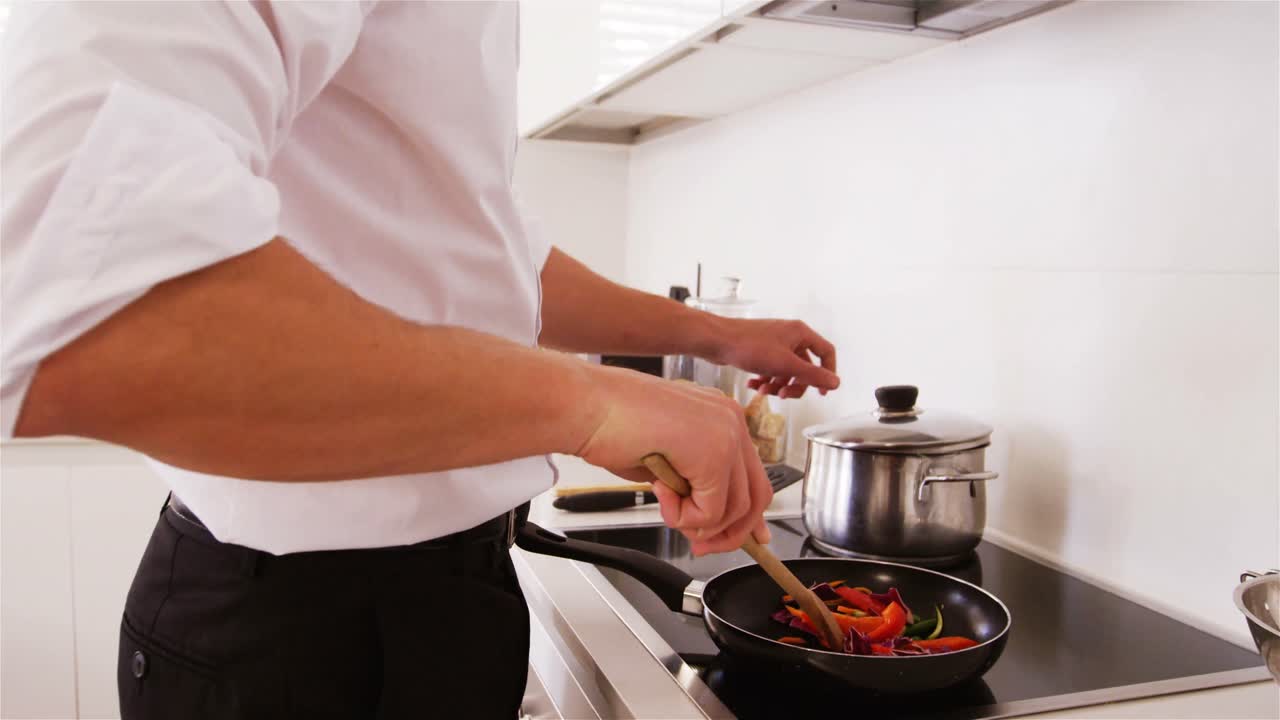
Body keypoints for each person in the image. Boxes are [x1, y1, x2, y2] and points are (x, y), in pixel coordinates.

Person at [0, 2, 839, 718]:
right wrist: (589, 405)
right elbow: (75, 294)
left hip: (451, 604)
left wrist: (715, 335)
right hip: (294, 635)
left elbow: (489, 266)